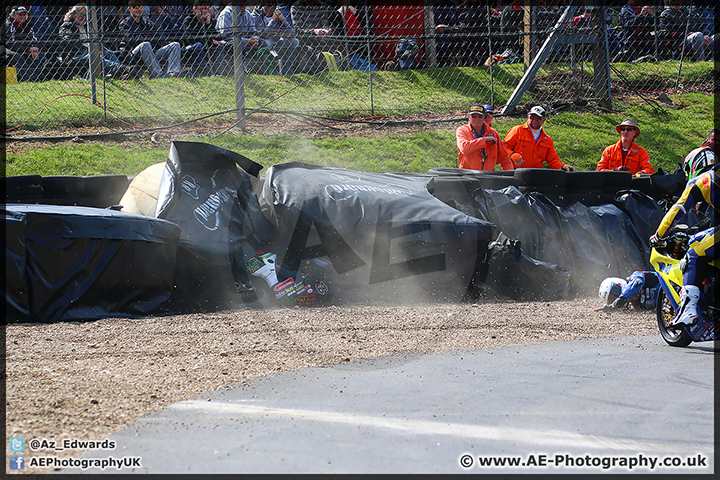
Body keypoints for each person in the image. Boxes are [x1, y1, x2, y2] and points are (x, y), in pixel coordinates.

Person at [650, 164, 718, 327]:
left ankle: (689, 309)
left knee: (692, 256)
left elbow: (678, 209)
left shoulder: (702, 181)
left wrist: (659, 235)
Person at [58, 4, 133, 80]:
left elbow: (96, 40)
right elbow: (69, 42)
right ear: (73, 15)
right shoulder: (67, 26)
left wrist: (99, 48)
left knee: (107, 52)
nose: (84, 17)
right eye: (81, 15)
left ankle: (122, 72)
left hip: (89, 53)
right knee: (94, 56)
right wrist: (91, 50)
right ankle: (121, 70)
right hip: (74, 58)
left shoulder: (87, 27)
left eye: (86, 15)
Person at [119, 0, 182, 78]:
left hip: (152, 53)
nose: (139, 9)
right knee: (145, 44)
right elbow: (132, 41)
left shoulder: (148, 23)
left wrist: (148, 40)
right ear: (129, 9)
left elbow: (158, 40)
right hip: (135, 55)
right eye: (135, 7)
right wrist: (148, 39)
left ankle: (173, 74)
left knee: (175, 45)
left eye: (141, 7)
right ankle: (159, 75)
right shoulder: (125, 23)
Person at [503, 106, 576, 171]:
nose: (534, 120)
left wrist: (563, 167)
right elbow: (504, 147)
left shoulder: (547, 139)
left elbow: (553, 160)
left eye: (538, 118)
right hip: (516, 171)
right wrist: (512, 155)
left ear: (543, 119)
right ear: (528, 117)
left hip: (536, 174)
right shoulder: (517, 130)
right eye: (532, 117)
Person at [457, 104, 513, 171]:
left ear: (484, 117)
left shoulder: (493, 133)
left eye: (480, 116)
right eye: (473, 116)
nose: (477, 119)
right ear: (469, 117)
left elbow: (504, 158)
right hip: (468, 175)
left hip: (488, 176)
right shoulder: (462, 130)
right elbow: (464, 148)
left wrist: (510, 174)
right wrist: (484, 140)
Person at [251, 0, 301, 75]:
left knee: (294, 41)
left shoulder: (278, 13)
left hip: (277, 45)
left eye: (273, 4)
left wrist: (283, 20)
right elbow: (262, 35)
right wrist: (272, 21)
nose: (271, 6)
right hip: (264, 46)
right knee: (267, 42)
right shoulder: (256, 16)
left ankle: (287, 72)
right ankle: (271, 70)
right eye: (268, 4)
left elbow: (292, 33)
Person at [181, 0, 225, 77]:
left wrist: (208, 24)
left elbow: (217, 37)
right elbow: (191, 39)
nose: (205, 11)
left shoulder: (208, 20)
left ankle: (218, 73)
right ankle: (207, 75)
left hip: (205, 46)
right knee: (198, 45)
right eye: (202, 9)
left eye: (206, 9)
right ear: (195, 10)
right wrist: (210, 41)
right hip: (190, 48)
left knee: (220, 46)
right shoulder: (189, 20)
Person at [4, 5, 45, 82]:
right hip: (9, 52)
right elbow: (10, 44)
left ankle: (38, 79)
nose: (22, 16)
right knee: (19, 57)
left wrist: (33, 49)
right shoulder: (8, 25)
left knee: (35, 56)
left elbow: (34, 39)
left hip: (24, 50)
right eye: (20, 14)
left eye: (24, 14)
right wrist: (28, 49)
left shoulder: (28, 25)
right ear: (13, 15)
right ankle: (28, 80)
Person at [595, 271, 661, 312]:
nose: (615, 298)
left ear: (618, 284)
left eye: (613, 294)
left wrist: (615, 304)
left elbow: (636, 284)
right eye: (611, 299)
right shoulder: (636, 305)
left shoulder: (636, 276)